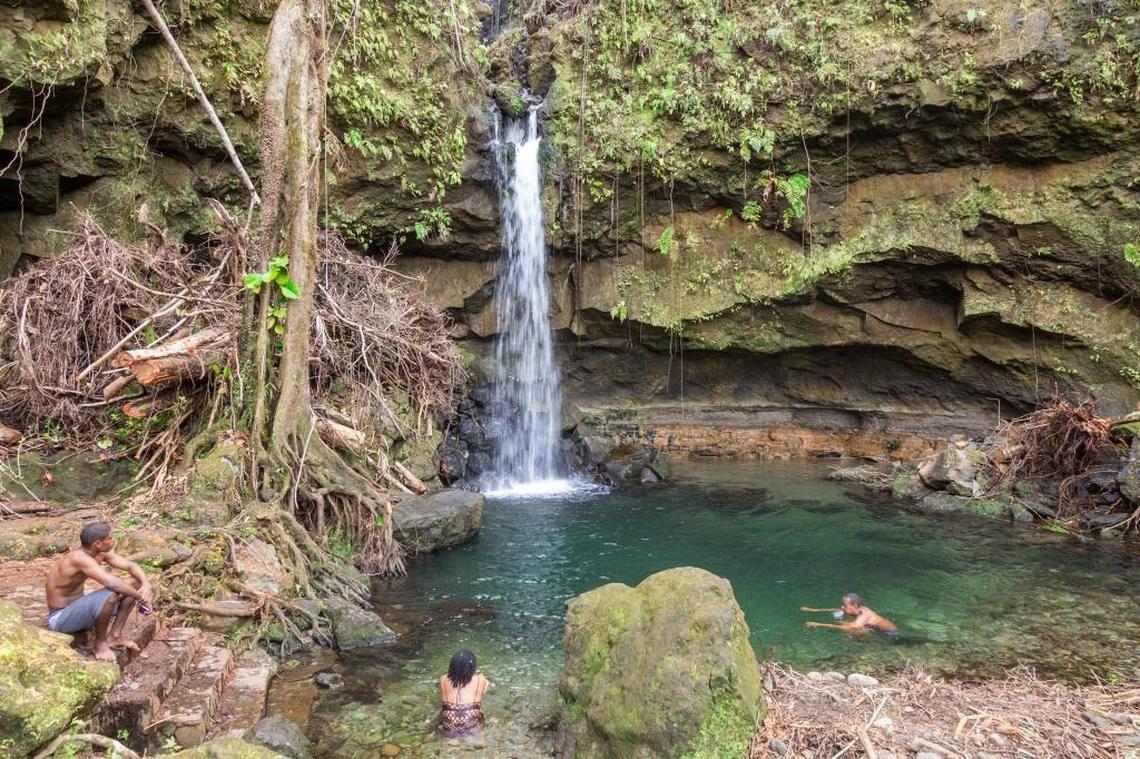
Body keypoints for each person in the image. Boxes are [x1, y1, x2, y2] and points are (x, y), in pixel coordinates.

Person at [44, 521, 152, 662]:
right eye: (109, 538)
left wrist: (146, 584)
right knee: (110, 594)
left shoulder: (99, 553)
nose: (113, 540)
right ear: (98, 543)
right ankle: (100, 644)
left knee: (135, 583)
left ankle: (115, 636)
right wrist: (141, 597)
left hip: (80, 612)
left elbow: (131, 566)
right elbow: (112, 583)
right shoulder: (79, 558)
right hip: (61, 618)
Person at [438, 649, 489, 738]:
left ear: (452, 666)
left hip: (449, 727)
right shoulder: (480, 679)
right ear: (472, 666)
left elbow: (443, 698)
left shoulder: (442, 679)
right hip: (472, 726)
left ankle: (451, 741)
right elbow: (482, 693)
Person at [801, 592, 897, 634]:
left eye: (845, 605)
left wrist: (819, 624)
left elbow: (850, 627)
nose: (842, 607)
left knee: (854, 631)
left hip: (889, 633)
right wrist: (814, 610)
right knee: (850, 625)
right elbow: (838, 609)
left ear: (854, 605)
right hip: (877, 628)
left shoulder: (864, 615)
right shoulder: (858, 609)